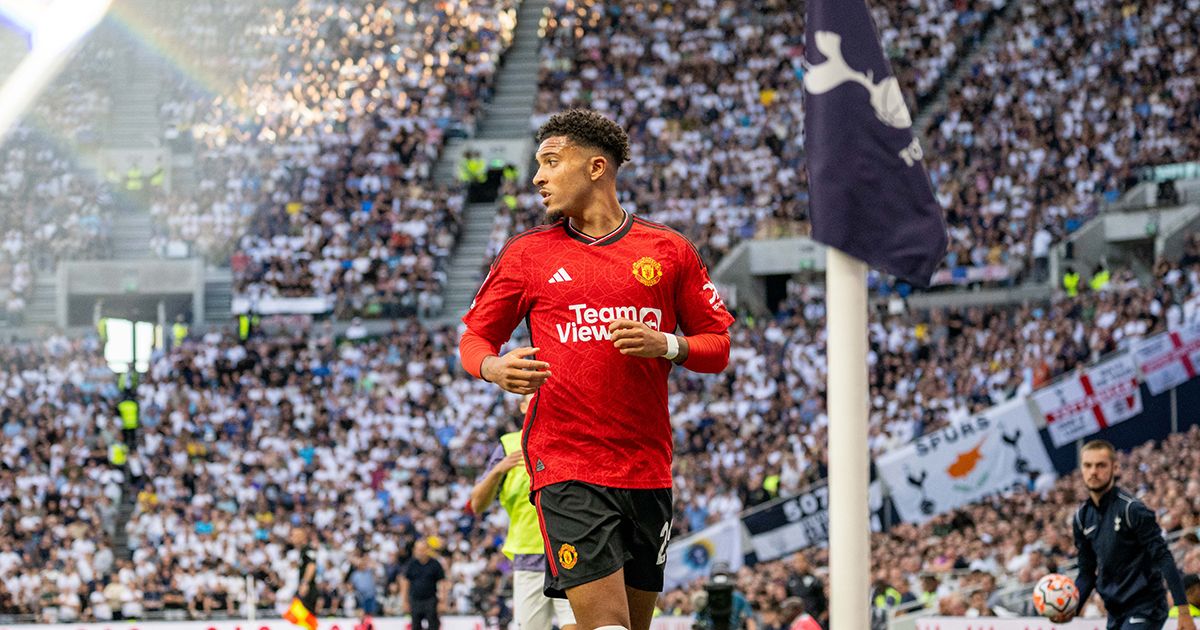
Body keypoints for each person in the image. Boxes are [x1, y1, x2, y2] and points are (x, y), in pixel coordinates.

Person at [458, 109, 734, 630]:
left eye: (550, 162)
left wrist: (668, 344)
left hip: (647, 468)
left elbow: (717, 347)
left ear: (596, 167)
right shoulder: (528, 255)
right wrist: (493, 367)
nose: (537, 177)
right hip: (566, 465)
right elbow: (474, 338)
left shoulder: (667, 251)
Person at [1054, 440, 1196, 629]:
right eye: (1088, 465)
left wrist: (1183, 611)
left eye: (1101, 465)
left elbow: (1164, 558)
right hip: (1115, 612)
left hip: (1146, 608)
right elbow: (1086, 574)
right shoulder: (1082, 518)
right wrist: (1072, 608)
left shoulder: (1131, 509)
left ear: (1115, 467)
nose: (1093, 472)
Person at [469, 394, 576, 630]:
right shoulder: (508, 446)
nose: (539, 402)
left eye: (544, 397)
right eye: (532, 398)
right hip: (530, 556)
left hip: (570, 551)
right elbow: (477, 504)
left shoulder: (569, 439)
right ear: (522, 406)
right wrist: (498, 470)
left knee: (577, 625)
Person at [401, 540, 446, 630]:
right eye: (418, 549)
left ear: (427, 550)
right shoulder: (411, 564)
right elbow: (405, 583)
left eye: (422, 549)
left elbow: (442, 583)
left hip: (431, 600)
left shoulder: (435, 564)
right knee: (416, 626)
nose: (420, 552)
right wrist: (405, 601)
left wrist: (442, 601)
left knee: (433, 625)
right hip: (415, 600)